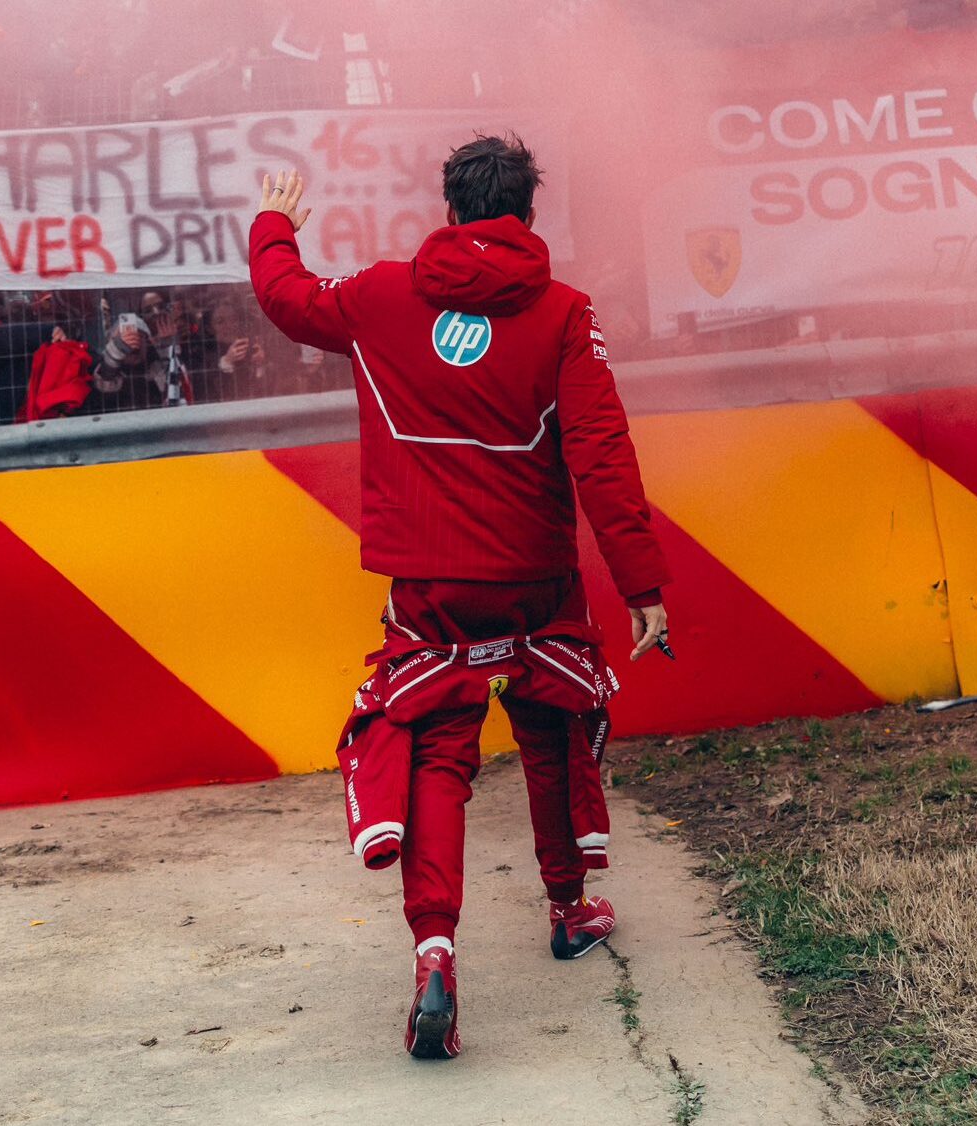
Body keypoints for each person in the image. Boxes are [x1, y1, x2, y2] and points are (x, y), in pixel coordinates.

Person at [249, 135, 670, 1060]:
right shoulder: (565, 314)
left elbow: (287, 299)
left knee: (440, 753)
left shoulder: (379, 293)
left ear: (448, 208)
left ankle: (435, 956)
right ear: (527, 212)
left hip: (431, 585)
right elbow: (601, 455)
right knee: (553, 731)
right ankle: (569, 909)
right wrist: (642, 583)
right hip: (537, 578)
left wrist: (275, 223)